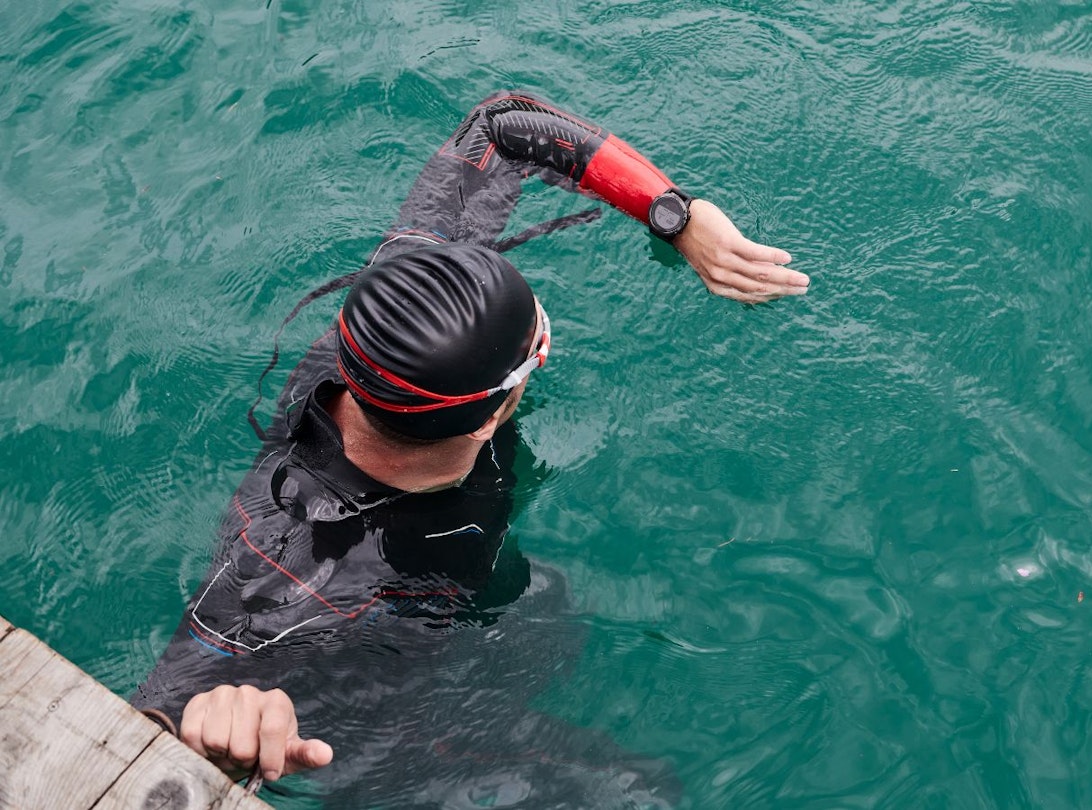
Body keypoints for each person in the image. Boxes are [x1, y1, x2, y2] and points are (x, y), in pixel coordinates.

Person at [131, 90, 808, 803]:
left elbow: (505, 124)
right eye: (536, 342)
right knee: (644, 791)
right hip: (385, 684)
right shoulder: (290, 564)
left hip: (473, 580)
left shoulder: (404, 308)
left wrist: (675, 215)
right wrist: (207, 732)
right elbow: (157, 710)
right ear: (488, 420)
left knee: (550, 619)